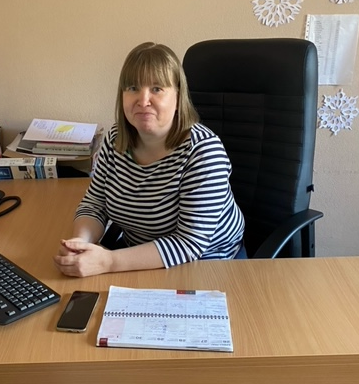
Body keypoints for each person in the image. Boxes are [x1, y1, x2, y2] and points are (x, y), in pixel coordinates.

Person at [54, 42, 245, 277]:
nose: (143, 100)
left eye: (156, 88)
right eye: (133, 87)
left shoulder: (204, 152)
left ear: (178, 96)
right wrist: (80, 244)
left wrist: (109, 262)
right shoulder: (115, 139)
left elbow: (189, 243)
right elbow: (95, 204)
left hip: (207, 263)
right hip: (137, 255)